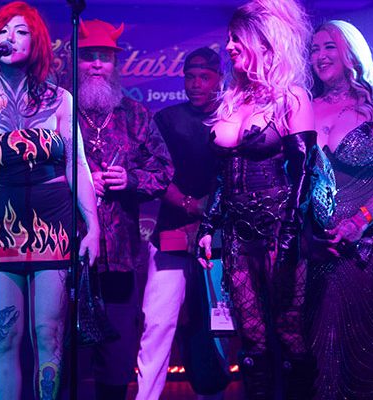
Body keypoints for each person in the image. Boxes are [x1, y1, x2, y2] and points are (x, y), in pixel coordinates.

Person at [0, 2, 100, 399]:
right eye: (2, 31)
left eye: (20, 32)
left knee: (48, 335)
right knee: (3, 339)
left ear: (37, 42)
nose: (10, 39)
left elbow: (77, 165)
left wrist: (93, 227)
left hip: (54, 223)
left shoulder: (60, 100)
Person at [195, 0, 317, 398]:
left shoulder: (291, 97)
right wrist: (208, 226)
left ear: (263, 43)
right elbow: (222, 173)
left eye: (237, 39)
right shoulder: (232, 99)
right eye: (228, 38)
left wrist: (291, 232)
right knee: (251, 337)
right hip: (236, 232)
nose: (229, 47)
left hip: (279, 227)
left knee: (289, 330)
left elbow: (306, 171)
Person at [308, 20, 373, 399]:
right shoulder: (304, 109)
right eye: (315, 49)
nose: (320, 56)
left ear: (351, 52)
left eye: (329, 47)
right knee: (318, 345)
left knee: (362, 343)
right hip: (319, 242)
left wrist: (360, 220)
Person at [76, 19, 173, 400]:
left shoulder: (134, 114)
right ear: (76, 61)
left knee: (117, 351)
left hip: (121, 254)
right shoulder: (60, 111)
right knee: (63, 346)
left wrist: (130, 180)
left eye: (105, 58)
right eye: (89, 57)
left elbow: (163, 171)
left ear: (116, 64)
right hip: (67, 249)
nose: (97, 65)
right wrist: (81, 185)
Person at [135, 47, 223, 400]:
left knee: (217, 323)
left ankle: (213, 394)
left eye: (204, 77)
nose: (196, 84)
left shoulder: (233, 117)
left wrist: (211, 214)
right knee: (158, 322)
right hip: (170, 234)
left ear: (220, 79)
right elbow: (155, 174)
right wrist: (191, 205)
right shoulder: (167, 119)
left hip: (220, 238)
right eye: (190, 77)